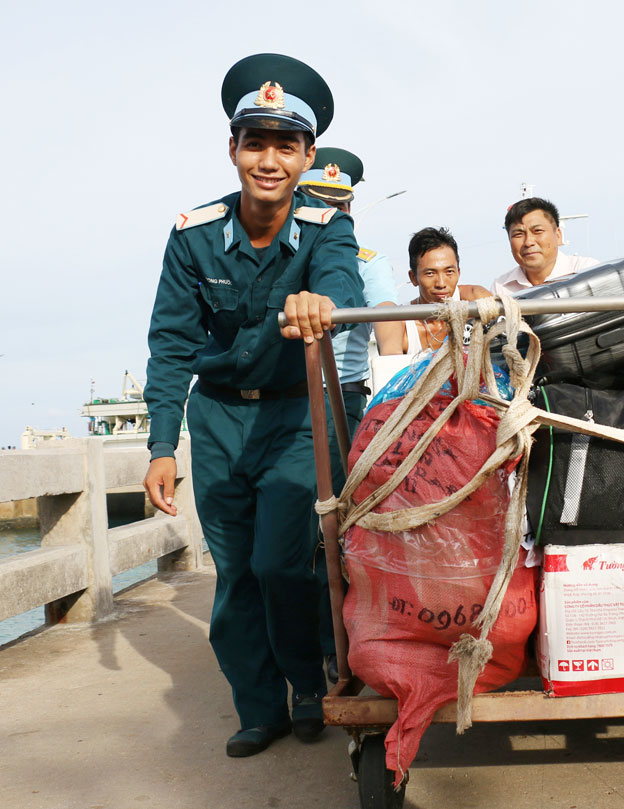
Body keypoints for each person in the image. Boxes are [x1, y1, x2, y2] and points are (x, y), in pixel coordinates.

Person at [141, 53, 363, 758]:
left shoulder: (327, 227)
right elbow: (172, 344)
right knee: (234, 573)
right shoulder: (193, 234)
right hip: (218, 421)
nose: (269, 160)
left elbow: (341, 285)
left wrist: (320, 300)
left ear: (307, 157)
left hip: (296, 418)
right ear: (233, 149)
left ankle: (306, 683)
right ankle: (259, 706)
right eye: (255, 143)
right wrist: (159, 446)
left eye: (285, 146)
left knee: (282, 562)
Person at [298, 146, 403, 684]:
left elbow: (389, 325)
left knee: (332, 533)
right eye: (316, 199)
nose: (328, 212)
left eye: (339, 204)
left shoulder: (365, 263)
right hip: (281, 398)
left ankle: (334, 656)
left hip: (343, 401)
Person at [402, 227, 490, 354]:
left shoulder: (475, 299)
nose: (441, 283)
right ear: (413, 278)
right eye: (430, 273)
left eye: (449, 272)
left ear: (458, 273)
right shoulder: (402, 324)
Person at [493, 197, 598, 293]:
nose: (528, 242)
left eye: (537, 231)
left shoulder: (587, 271)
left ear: (558, 235)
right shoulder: (501, 288)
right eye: (518, 234)